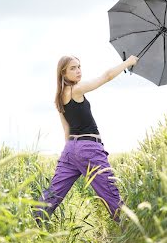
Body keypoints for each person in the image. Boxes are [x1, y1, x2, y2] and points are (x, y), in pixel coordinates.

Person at [33, 53, 138, 227]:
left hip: (70, 149)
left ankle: (31, 227)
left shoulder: (59, 97)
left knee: (52, 194)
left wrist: (70, 154)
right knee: (110, 192)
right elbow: (106, 76)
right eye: (72, 68)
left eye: (79, 66)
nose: (78, 71)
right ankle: (131, 231)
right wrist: (128, 62)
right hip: (89, 148)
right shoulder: (76, 90)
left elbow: (66, 129)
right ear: (63, 73)